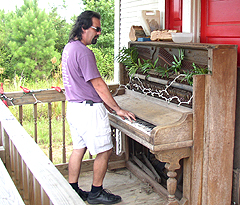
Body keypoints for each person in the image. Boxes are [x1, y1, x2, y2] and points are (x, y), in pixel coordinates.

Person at [61, 10, 136, 204]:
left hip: (74, 108)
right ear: (84, 27)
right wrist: (118, 109)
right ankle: (96, 193)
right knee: (104, 150)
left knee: (79, 148)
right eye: (97, 29)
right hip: (89, 110)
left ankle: (73, 189)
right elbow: (99, 85)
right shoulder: (84, 53)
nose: (99, 33)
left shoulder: (69, 48)